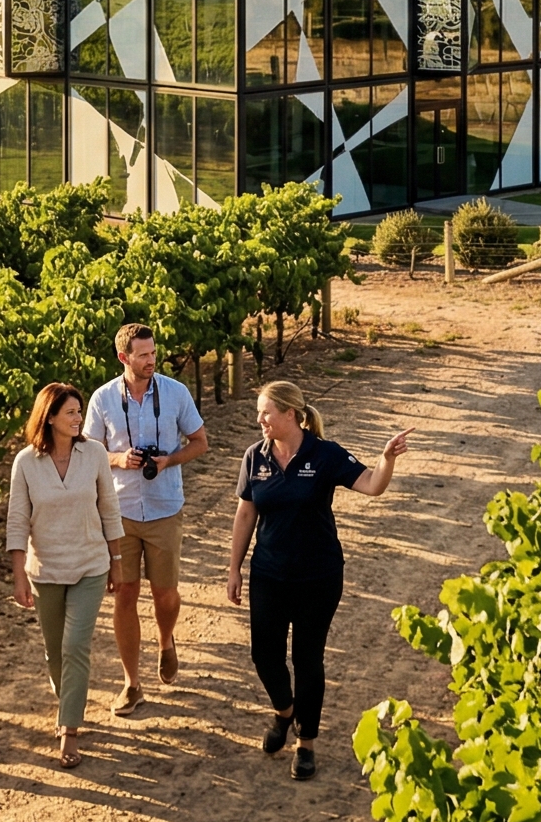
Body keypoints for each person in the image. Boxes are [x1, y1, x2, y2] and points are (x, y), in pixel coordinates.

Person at [227, 379, 409, 781]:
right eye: (260, 412)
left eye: (266, 412)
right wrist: (234, 567)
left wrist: (387, 459)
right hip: (269, 573)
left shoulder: (324, 454)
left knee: (308, 659)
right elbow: (245, 515)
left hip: (318, 576)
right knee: (265, 655)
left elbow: (372, 485)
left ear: (291, 414)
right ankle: (284, 711)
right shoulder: (254, 457)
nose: (260, 419)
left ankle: (305, 743)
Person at [84, 323, 208, 714]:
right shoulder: (103, 399)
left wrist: (168, 460)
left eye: (153, 353)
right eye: (143, 355)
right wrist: (119, 460)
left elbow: (201, 442)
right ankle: (131, 682)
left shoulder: (175, 393)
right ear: (124, 358)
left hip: (164, 508)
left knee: (165, 594)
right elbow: (87, 451)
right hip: (119, 512)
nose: (151, 360)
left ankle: (166, 639)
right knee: (124, 594)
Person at [6, 381, 124, 767]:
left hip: (90, 565)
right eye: (70, 412)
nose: (78, 418)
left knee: (75, 647)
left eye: (79, 411)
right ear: (50, 416)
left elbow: (109, 507)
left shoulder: (94, 455)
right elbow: (18, 519)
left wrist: (116, 559)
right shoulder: (26, 462)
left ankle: (68, 731)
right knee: (55, 652)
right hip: (46, 570)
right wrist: (19, 572)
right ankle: (68, 702)